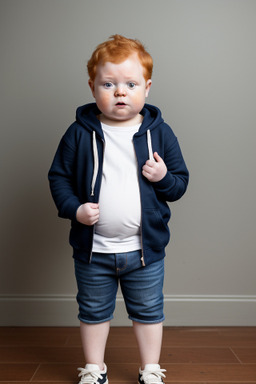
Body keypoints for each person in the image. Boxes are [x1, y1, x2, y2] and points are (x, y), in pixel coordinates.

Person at [48, 34, 189, 384]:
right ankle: (95, 368)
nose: (120, 92)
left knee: (148, 311)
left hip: (145, 250)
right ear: (93, 87)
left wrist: (162, 177)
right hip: (93, 249)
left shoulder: (159, 133)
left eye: (130, 84)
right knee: (93, 311)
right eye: (109, 84)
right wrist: (75, 210)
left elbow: (180, 184)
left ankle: (150, 368)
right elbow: (58, 177)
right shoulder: (79, 134)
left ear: (147, 87)